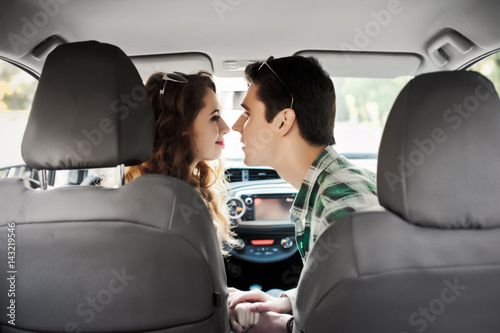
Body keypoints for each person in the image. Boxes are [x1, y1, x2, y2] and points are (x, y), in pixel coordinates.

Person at [228, 56, 379, 332]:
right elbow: (340, 285)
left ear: (284, 121)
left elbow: (360, 316)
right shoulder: (336, 184)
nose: (237, 126)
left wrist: (285, 326)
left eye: (248, 114)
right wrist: (285, 302)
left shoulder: (339, 207)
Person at [125, 71, 238, 255]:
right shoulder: (177, 205)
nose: (226, 128)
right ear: (182, 126)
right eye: (214, 117)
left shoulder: (140, 194)